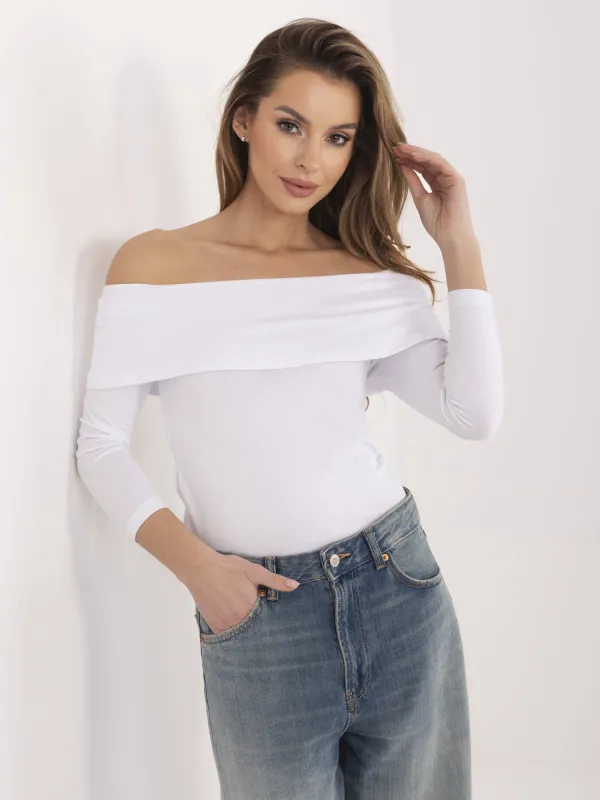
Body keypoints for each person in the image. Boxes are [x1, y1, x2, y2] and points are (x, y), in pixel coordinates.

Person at [75, 17, 503, 800]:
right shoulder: (155, 264)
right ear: (245, 120)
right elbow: (100, 445)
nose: (311, 160)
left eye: (338, 138)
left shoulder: (365, 275)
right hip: (258, 615)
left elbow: (473, 413)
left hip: (396, 589)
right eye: (290, 125)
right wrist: (199, 570)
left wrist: (459, 243)